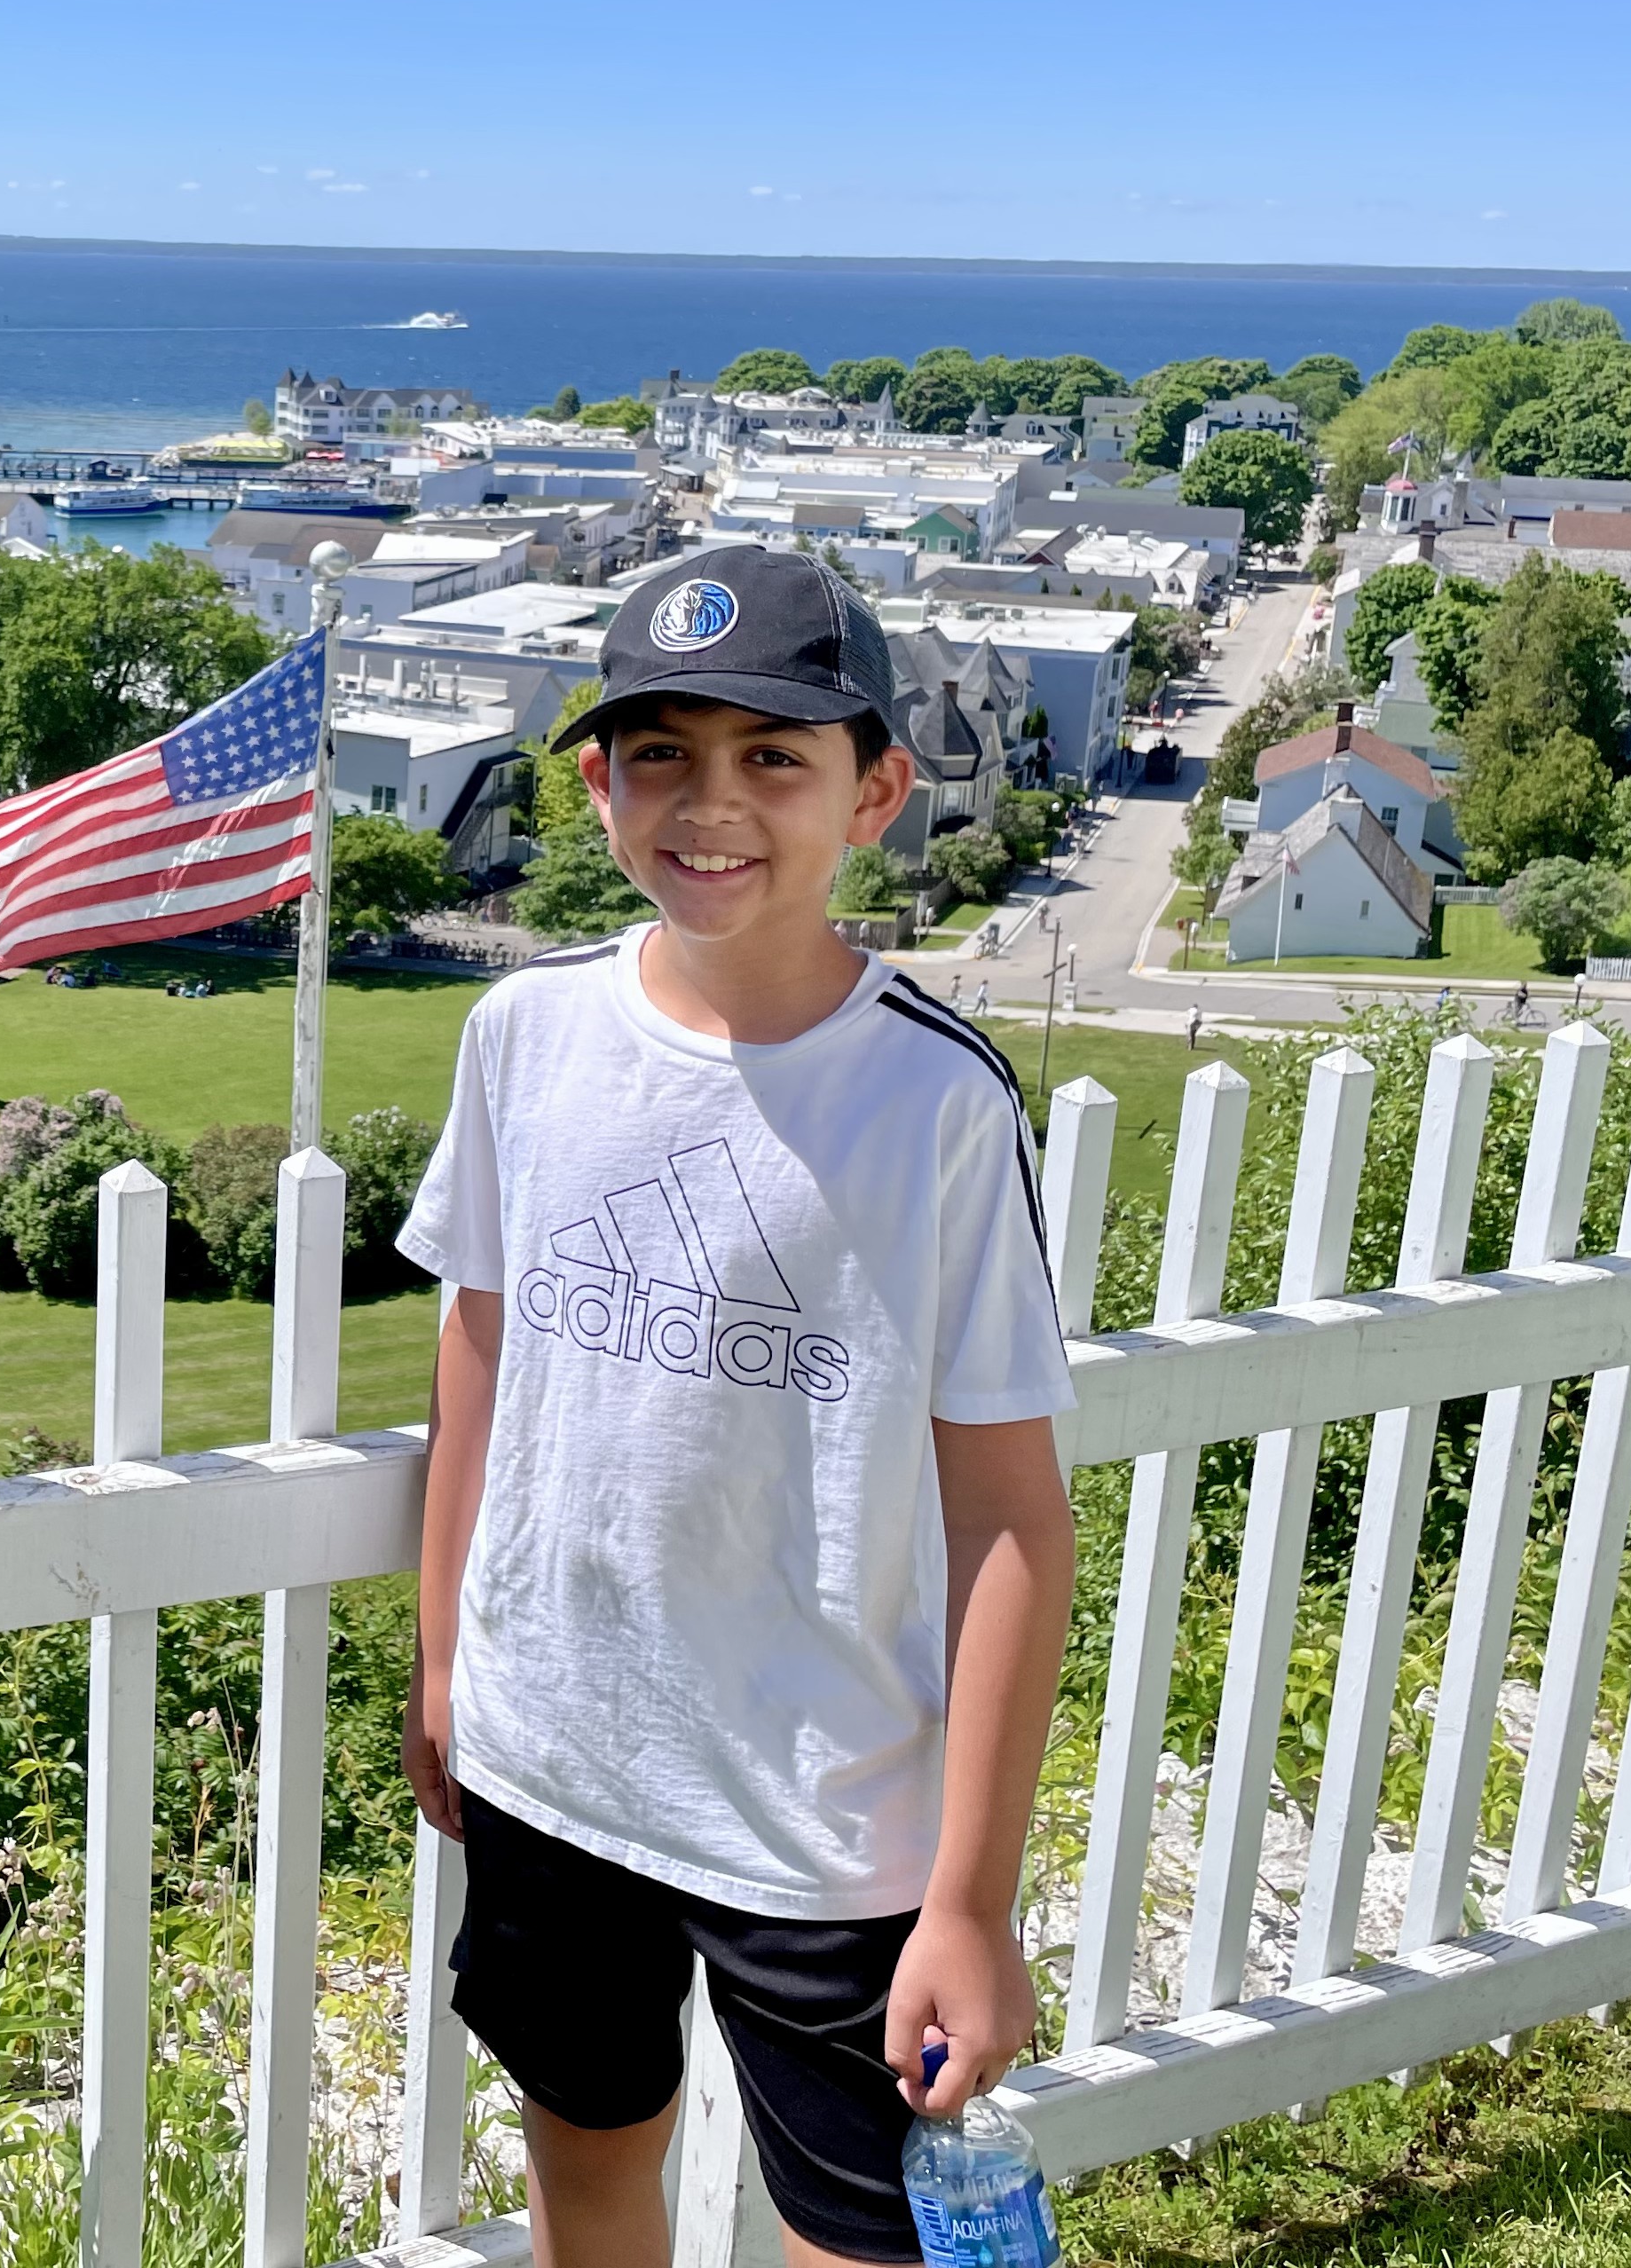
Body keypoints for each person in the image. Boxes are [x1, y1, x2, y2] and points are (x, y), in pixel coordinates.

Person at [395, 547, 1076, 2268]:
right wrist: (443, 1657)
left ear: (879, 790)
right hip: (562, 1759)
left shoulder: (933, 1103)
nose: (713, 804)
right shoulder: (525, 1038)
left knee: (856, 2235)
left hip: (828, 1813)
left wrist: (972, 1902)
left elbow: (1013, 1516)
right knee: (591, 2168)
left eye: (775, 755)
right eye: (662, 754)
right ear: (597, 784)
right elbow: (482, 1347)